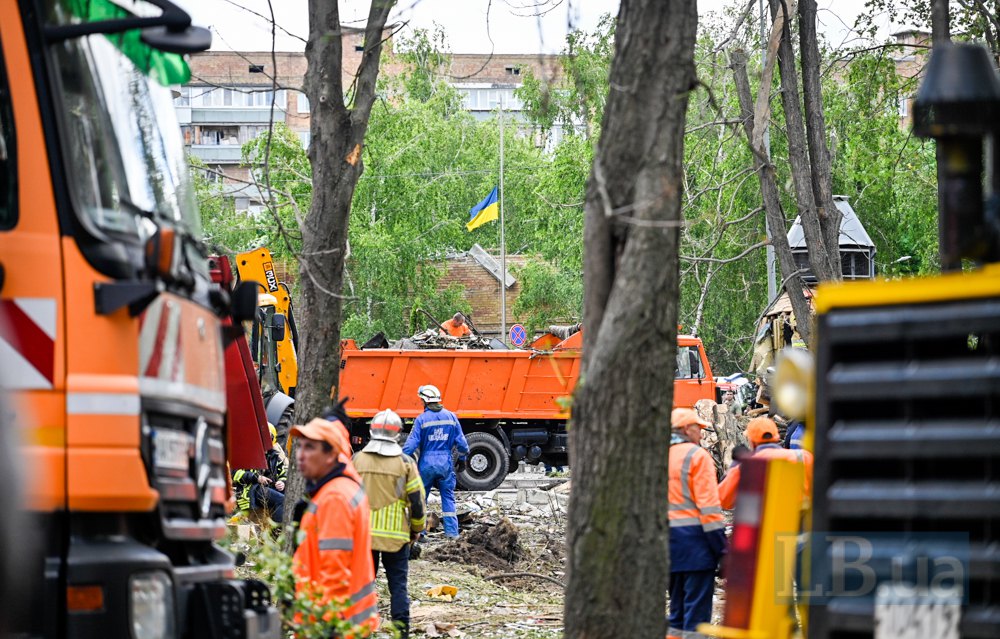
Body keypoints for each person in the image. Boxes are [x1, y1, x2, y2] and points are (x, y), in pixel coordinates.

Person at [290, 417, 378, 634]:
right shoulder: (341, 489)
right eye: (299, 446)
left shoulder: (334, 498)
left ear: (331, 455)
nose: (300, 454)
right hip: (347, 619)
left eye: (310, 447)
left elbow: (335, 570)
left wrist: (323, 626)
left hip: (335, 623)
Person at [353, 409, 426, 638]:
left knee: (363, 587)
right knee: (398, 588)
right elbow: (417, 503)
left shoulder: (357, 460)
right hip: (396, 538)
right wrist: (416, 530)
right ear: (398, 434)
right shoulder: (405, 463)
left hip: (363, 537)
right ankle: (400, 633)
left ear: (372, 430)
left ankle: (360, 630)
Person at [668, 408, 727, 639]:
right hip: (696, 547)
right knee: (697, 621)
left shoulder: (657, 456)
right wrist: (722, 550)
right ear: (685, 429)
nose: (702, 435)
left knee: (677, 615)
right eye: (698, 429)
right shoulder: (697, 456)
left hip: (667, 548)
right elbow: (710, 511)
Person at [403, 385, 469, 539]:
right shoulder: (452, 417)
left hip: (426, 464)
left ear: (425, 401)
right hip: (445, 463)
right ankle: (452, 533)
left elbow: (411, 444)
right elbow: (462, 444)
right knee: (448, 497)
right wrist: (462, 458)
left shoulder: (421, 419)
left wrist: (399, 459)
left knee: (421, 499)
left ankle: (421, 533)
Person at [718, 416, 813, 510]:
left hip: (763, 523)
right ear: (777, 437)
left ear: (751, 441)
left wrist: (735, 464)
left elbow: (723, 500)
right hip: (801, 521)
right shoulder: (804, 457)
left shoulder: (744, 467)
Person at [232, 423, 287, 523]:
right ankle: (277, 533)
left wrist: (282, 483)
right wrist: (256, 478)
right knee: (281, 500)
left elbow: (283, 474)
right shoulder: (246, 455)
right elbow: (234, 474)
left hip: (269, 488)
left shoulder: (275, 457)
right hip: (252, 489)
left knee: (289, 498)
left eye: (268, 438)